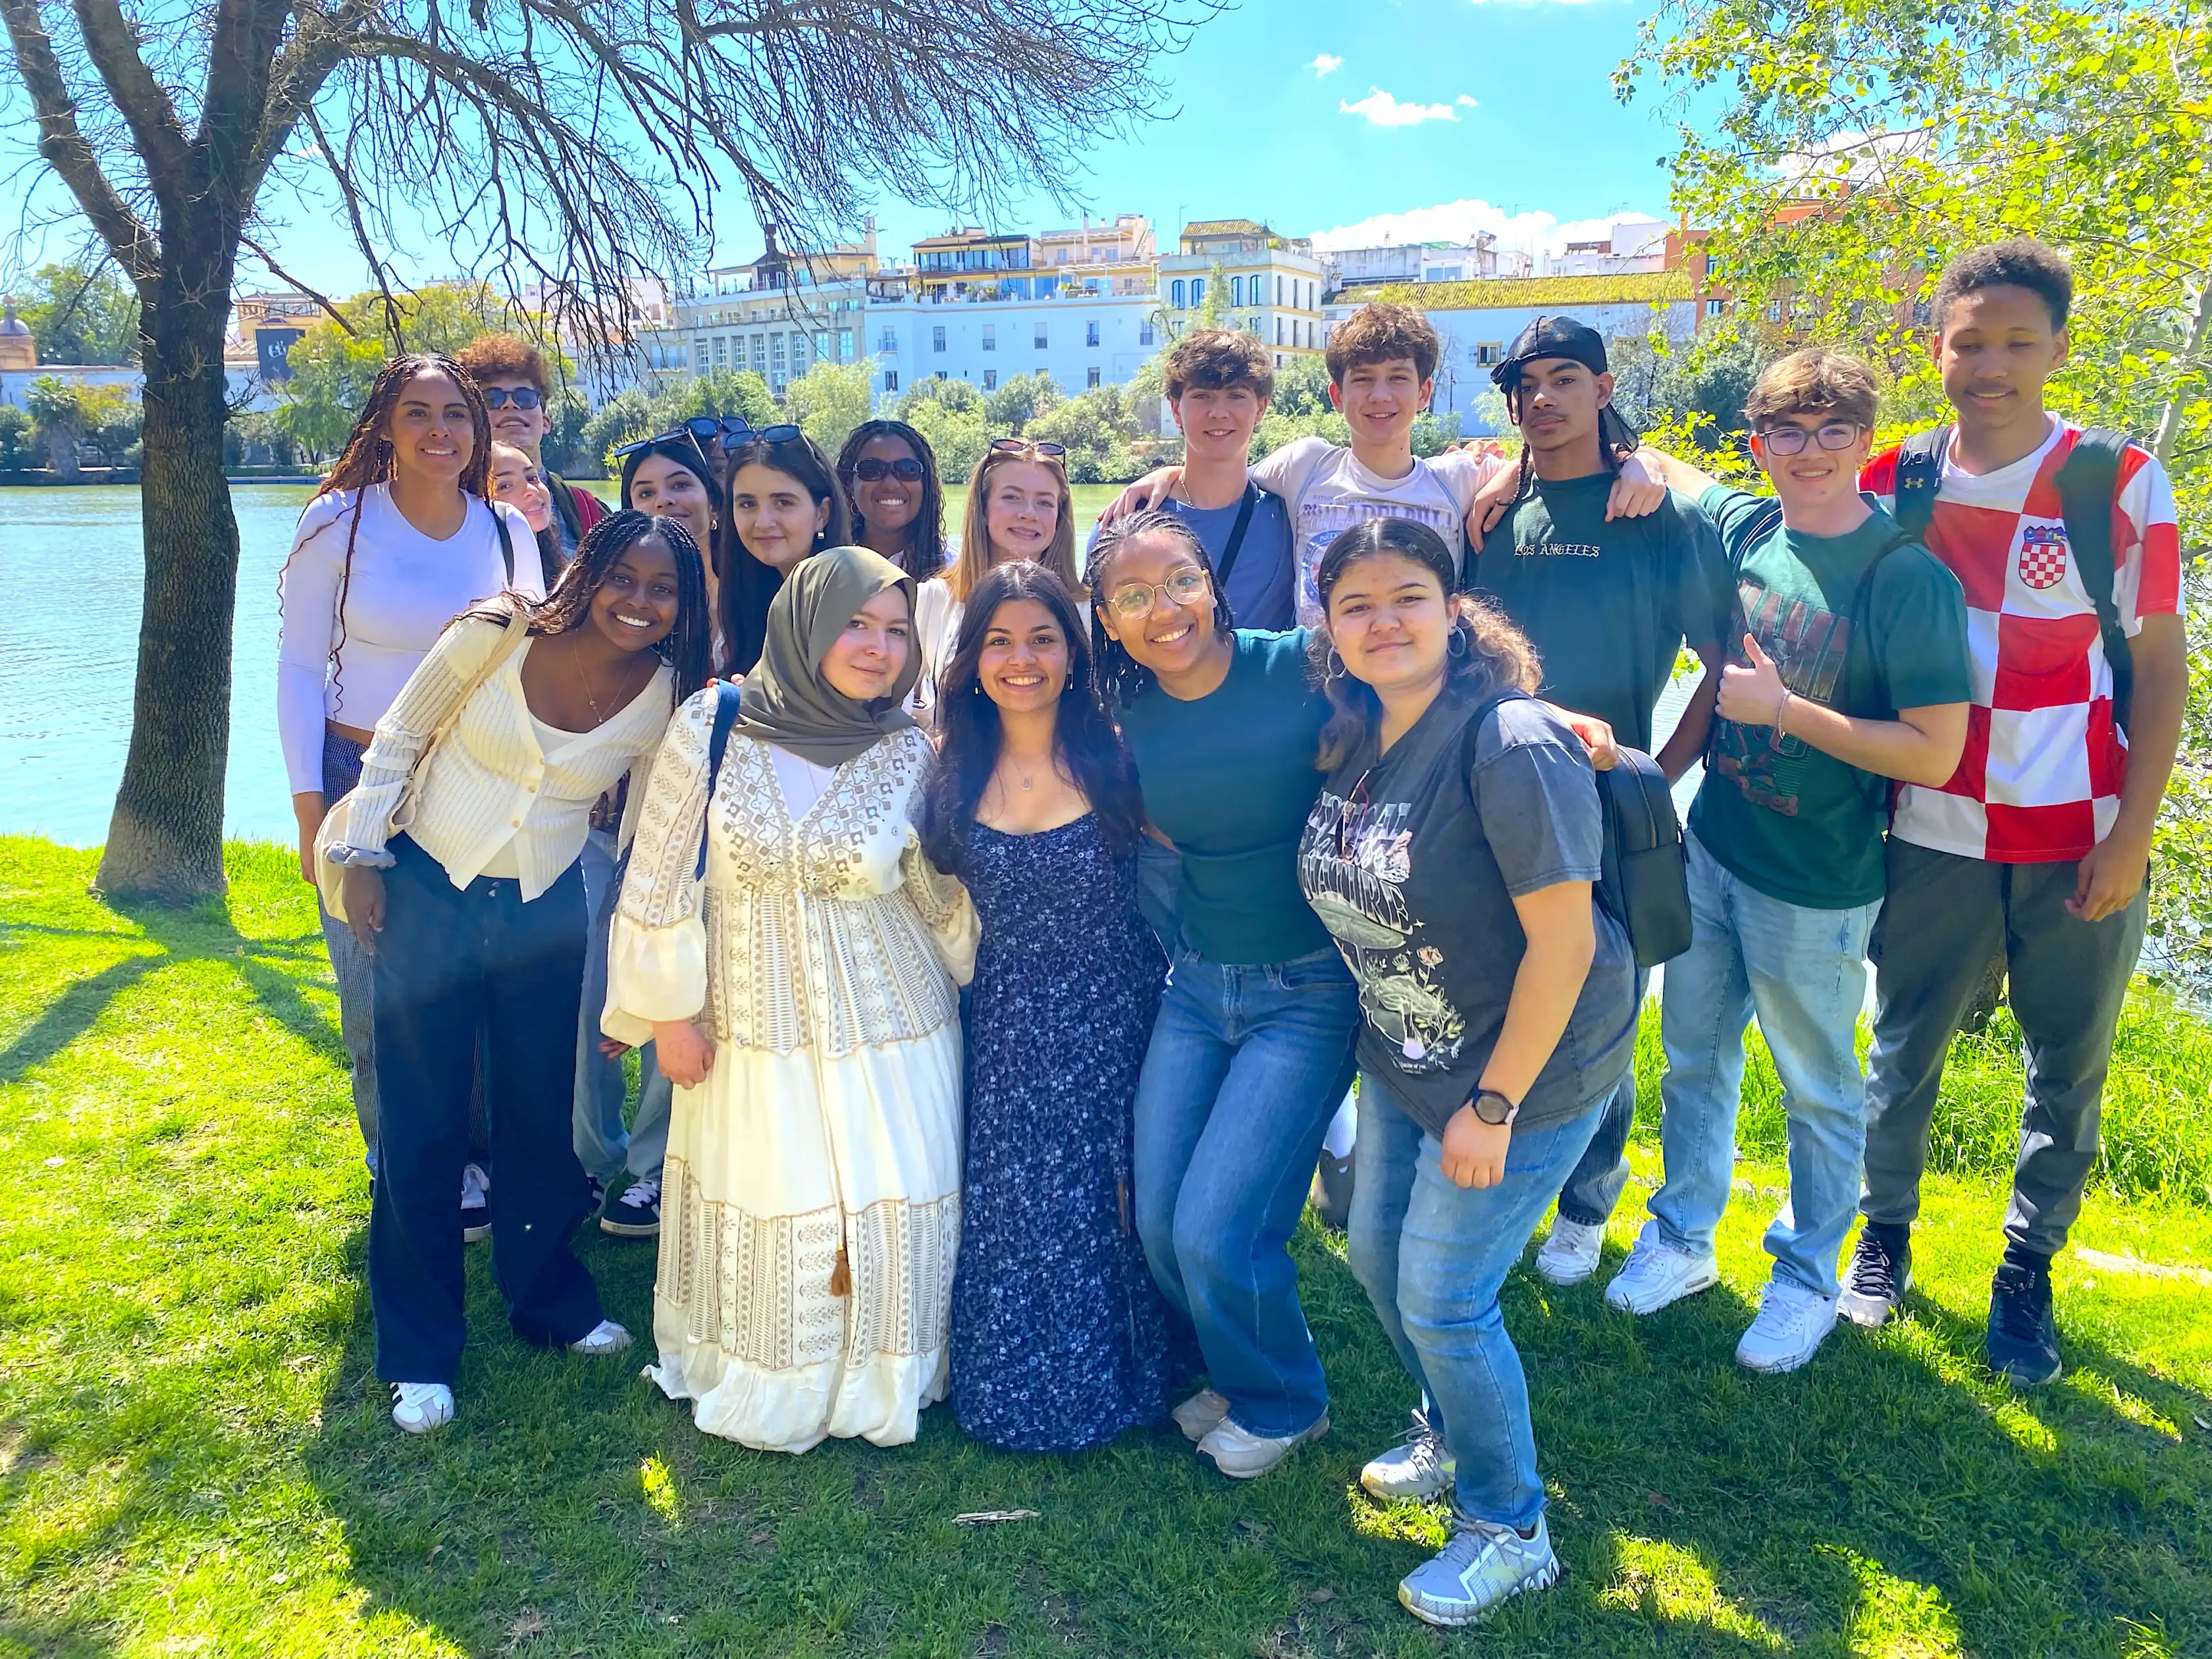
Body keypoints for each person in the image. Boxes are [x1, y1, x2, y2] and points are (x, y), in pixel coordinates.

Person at [1847, 240, 2186, 1386]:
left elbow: (2162, 668)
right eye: (1969, 341)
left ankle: (2026, 1269)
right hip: (1929, 826)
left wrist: (2133, 835)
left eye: (2017, 343)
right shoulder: (1893, 479)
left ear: (2057, 349)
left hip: (2078, 827)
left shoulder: (2113, 480)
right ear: (1934, 345)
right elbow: (1774, 511)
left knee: (2067, 1064)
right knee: (1903, 1046)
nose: (1989, 365)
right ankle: (1882, 1240)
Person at [1296, 517, 1633, 1627]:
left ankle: (1510, 1526)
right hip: (1408, 1054)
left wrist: (1494, 1104)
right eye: (1356, 604)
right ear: (1332, 626)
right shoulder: (1357, 733)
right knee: (1379, 1264)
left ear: (1453, 606)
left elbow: (1567, 945)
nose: (1382, 620)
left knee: (1445, 1296)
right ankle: (1449, 1426)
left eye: (1406, 596)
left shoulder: (1513, 741)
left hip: (1524, 1070)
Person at [1618, 350, 1973, 1373]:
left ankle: (1809, 1278)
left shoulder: (1905, 579)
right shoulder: (1750, 531)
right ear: (1760, 443)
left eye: (1832, 432)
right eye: (1787, 432)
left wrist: (1786, 713)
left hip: (1818, 884)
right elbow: (1684, 482)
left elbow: (1933, 750)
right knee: (1692, 1056)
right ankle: (1684, 1237)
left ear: (1867, 442)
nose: (1809, 453)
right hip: (1714, 851)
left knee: (1817, 1088)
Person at [323, 510, 715, 1433]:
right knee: (424, 1124)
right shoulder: (495, 633)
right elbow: (397, 740)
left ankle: (552, 1305)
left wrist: (642, 964)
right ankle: (419, 1352)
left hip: (543, 910)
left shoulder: (664, 695)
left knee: (540, 1121)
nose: (639, 602)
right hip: (427, 888)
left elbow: (657, 835)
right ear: (589, 570)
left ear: (683, 607)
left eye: (664, 590)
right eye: (624, 577)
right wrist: (366, 859)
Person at [603, 545, 977, 1454]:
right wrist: (665, 1016)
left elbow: (933, 892)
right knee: (776, 1190)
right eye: (855, 622)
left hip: (893, 1027)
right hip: (747, 1022)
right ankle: (779, 1373)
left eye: (895, 631)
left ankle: (890, 1373)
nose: (878, 647)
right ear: (805, 623)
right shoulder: (714, 722)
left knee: (896, 1191)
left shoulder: (905, 750)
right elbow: (657, 876)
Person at [1089, 510, 1361, 1479]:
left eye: (1178, 582)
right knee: (1162, 1223)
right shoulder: (1125, 720)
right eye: (1132, 597)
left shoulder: (1307, 665)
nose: (1162, 610)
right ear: (1109, 621)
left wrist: (1552, 722)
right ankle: (1243, 1370)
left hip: (1310, 992)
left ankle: (1288, 1401)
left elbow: (1444, 683)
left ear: (1213, 582)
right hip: (1198, 986)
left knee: (1218, 1228)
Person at [1463, 316, 1731, 1292]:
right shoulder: (1494, 514)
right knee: (1501, 983)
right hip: (1486, 794)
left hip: (1603, 802)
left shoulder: (1657, 513)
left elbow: (1723, 664)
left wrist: (1656, 774)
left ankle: (1586, 1205)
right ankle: (1505, 1172)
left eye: (1563, 379)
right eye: (1523, 385)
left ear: (1605, 387)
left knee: (1602, 1006)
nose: (1540, 399)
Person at [276, 353, 542, 1224]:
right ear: (384, 427)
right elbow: (297, 672)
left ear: (477, 430)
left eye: (457, 414)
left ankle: (475, 1162)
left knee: (465, 983)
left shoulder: (507, 531)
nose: (441, 430)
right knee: (372, 992)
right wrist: (310, 813)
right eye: (419, 413)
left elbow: (529, 667)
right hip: (354, 778)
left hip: (468, 781)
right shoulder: (337, 522)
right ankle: (395, 1158)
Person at [918, 561, 1171, 1452]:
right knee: (1013, 1205)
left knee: (1107, 1199)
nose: (1021, 659)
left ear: (1073, 651)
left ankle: (1126, 1380)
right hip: (1002, 1018)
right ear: (972, 659)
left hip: (1114, 1011)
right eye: (999, 641)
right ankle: (1007, 1383)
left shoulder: (1119, 754)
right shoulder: (948, 769)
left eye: (1042, 638)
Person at [1108, 303, 1665, 622]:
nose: (1380, 398)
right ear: (1336, 396)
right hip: (1314, 717)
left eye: (1398, 379)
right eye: (1363, 381)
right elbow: (1220, 466)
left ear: (1424, 393)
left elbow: (1559, 457)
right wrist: (1166, 475)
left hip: (1418, 713)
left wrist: (1634, 457)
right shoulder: (1305, 467)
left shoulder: (1461, 480)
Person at [913, 438, 1082, 723]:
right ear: (982, 507)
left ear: (1059, 515)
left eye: (1044, 502)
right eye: (1012, 497)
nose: (1028, 513)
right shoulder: (931, 601)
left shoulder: (1086, 609)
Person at [456, 333, 606, 562]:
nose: (510, 404)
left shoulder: (589, 510)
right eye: (491, 399)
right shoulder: (450, 507)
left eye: (524, 398)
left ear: (546, 421)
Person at [722, 427, 851, 674]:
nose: (763, 522)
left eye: (783, 503)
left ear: (822, 513)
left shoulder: (857, 603)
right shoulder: (748, 598)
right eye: (748, 504)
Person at [617, 432, 725, 650]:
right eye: (646, 493)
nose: (663, 500)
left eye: (680, 485)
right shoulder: (620, 608)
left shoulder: (759, 600)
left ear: (712, 505)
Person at [837, 419, 949, 582]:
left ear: (926, 484)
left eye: (907, 470)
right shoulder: (828, 566)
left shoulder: (953, 572)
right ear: (849, 484)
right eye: (871, 470)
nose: (891, 484)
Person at [488, 440, 564, 590]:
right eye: (505, 486)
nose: (531, 490)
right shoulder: (488, 584)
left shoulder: (562, 572)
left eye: (532, 478)